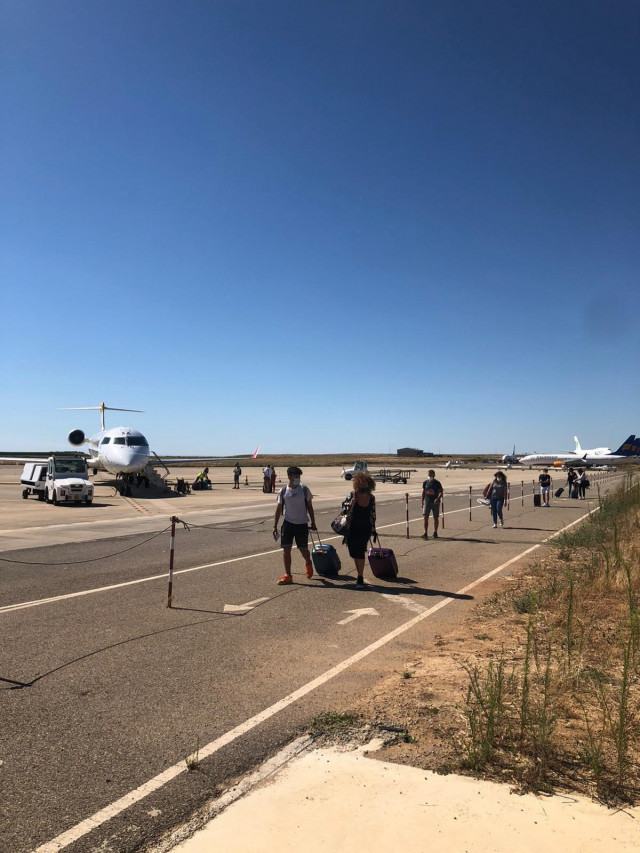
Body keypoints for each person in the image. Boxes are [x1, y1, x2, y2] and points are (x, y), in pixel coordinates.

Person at [273, 466, 316, 585]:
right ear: (289, 477)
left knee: (303, 549)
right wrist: (275, 525)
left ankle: (308, 562)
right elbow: (278, 509)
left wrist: (313, 522)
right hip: (288, 524)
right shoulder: (283, 492)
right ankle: (288, 575)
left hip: (301, 524)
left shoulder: (304, 490)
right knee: (286, 550)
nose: (298, 479)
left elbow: (310, 507)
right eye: (296, 477)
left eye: (299, 477)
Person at [342, 472, 378, 588]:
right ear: (357, 483)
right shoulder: (352, 495)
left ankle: (360, 576)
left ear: (369, 484)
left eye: (365, 483)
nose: (363, 485)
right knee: (354, 552)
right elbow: (344, 510)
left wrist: (373, 529)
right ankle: (359, 573)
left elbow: (372, 514)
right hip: (352, 527)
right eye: (361, 483)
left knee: (360, 551)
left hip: (365, 528)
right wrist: (351, 505)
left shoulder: (371, 498)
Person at [421, 470, 443, 539]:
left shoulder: (437, 483)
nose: (429, 477)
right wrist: (422, 501)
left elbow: (440, 492)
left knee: (435, 518)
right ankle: (425, 533)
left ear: (434, 475)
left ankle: (435, 532)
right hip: (427, 502)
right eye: (428, 475)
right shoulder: (425, 482)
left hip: (435, 503)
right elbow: (423, 492)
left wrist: (437, 498)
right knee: (425, 517)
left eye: (430, 475)